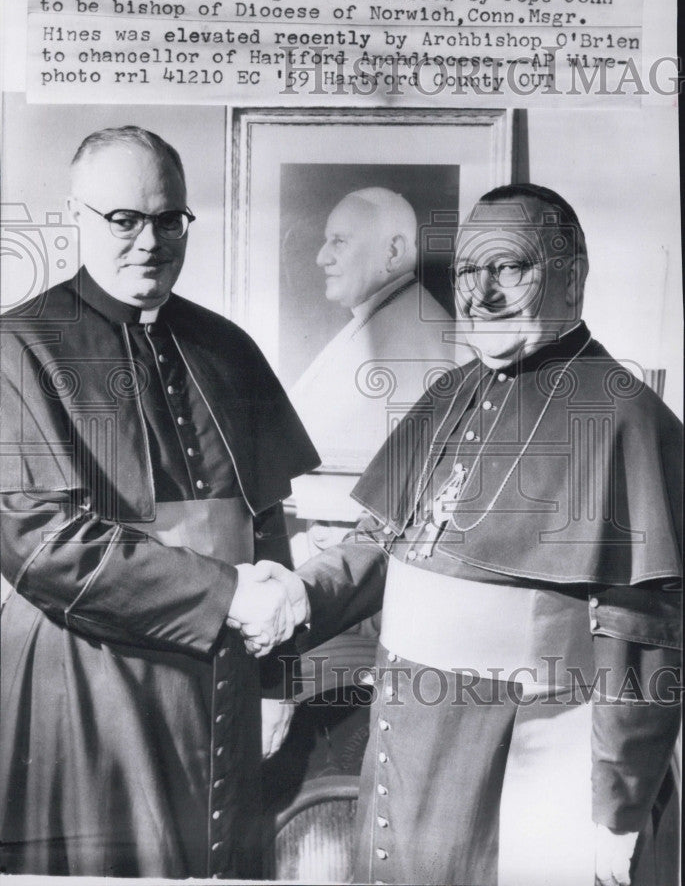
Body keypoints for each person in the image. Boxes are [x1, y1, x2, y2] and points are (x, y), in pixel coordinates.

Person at [243, 184, 682, 886]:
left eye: (505, 267)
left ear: (570, 273)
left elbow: (643, 636)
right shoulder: (447, 393)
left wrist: (616, 808)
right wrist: (293, 595)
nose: (478, 294)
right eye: (464, 273)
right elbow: (375, 546)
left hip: (518, 761)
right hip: (409, 747)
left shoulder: (625, 416)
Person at [0, 126, 317, 878]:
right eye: (123, 220)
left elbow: (264, 523)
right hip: (87, 679)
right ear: (77, 217)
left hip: (222, 683)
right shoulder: (20, 345)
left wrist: (278, 681)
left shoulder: (226, 346)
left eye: (167, 219)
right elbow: (39, 541)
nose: (149, 241)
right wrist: (229, 595)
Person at [289, 187, 468, 469]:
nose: (321, 257)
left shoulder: (406, 338)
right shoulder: (394, 311)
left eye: (339, 241)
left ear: (392, 251)